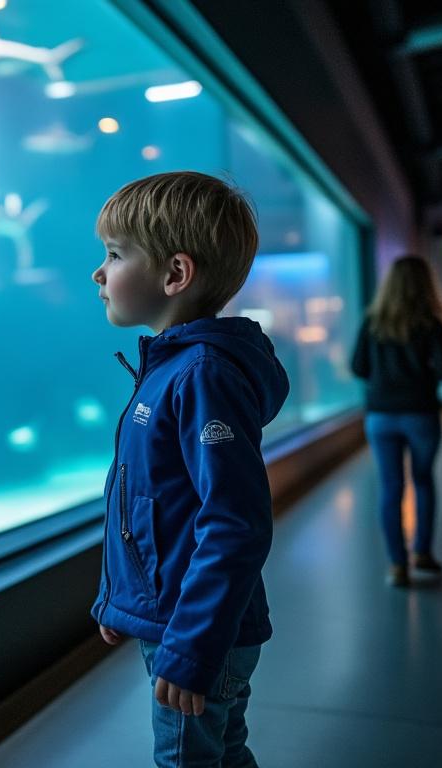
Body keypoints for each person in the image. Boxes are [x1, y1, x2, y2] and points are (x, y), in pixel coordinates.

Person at [90, 171, 288, 768]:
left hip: (196, 629)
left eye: (116, 255)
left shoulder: (202, 374)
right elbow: (148, 499)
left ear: (175, 274)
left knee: (189, 761)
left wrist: (193, 646)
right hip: (181, 618)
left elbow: (235, 522)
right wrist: (118, 598)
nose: (99, 273)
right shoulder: (173, 367)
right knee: (224, 753)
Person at [350, 256, 442, 588]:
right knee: (423, 480)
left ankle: (397, 565)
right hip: (421, 413)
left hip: (380, 415)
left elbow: (358, 366)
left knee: (391, 487)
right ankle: (422, 553)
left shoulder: (372, 321)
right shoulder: (430, 323)